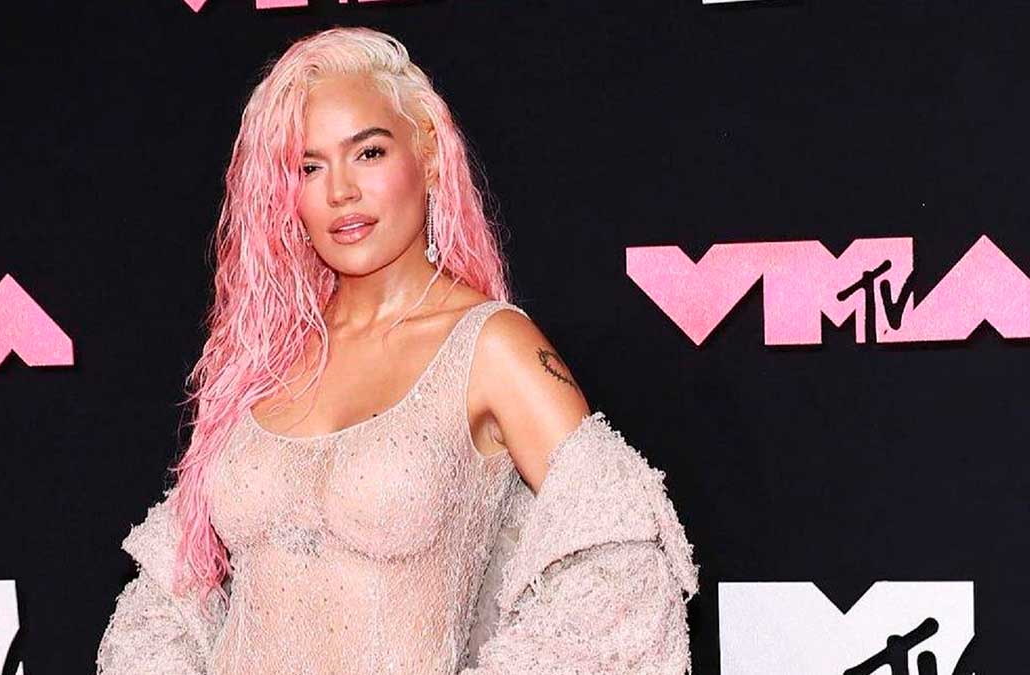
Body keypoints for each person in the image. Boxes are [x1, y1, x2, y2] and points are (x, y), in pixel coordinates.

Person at [95, 26, 699, 674]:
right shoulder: (263, 357)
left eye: (369, 152)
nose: (341, 191)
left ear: (429, 154)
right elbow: (168, 594)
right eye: (309, 167)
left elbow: (620, 568)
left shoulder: (491, 346)